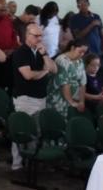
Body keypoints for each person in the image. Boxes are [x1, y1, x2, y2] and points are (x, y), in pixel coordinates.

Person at [10, 23, 56, 170]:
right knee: (22, 129)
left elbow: (54, 69)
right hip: (25, 97)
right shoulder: (21, 52)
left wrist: (45, 55)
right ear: (27, 36)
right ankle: (17, 164)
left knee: (37, 130)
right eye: (36, 36)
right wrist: (44, 71)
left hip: (40, 97)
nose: (39, 39)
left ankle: (32, 161)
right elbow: (28, 75)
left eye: (41, 35)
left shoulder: (41, 51)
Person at [47, 40, 91, 118]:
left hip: (74, 99)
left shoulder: (80, 61)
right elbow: (65, 84)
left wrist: (82, 101)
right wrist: (71, 102)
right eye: (80, 51)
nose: (82, 54)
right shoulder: (62, 60)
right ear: (72, 48)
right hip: (59, 100)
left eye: (84, 52)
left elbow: (83, 83)